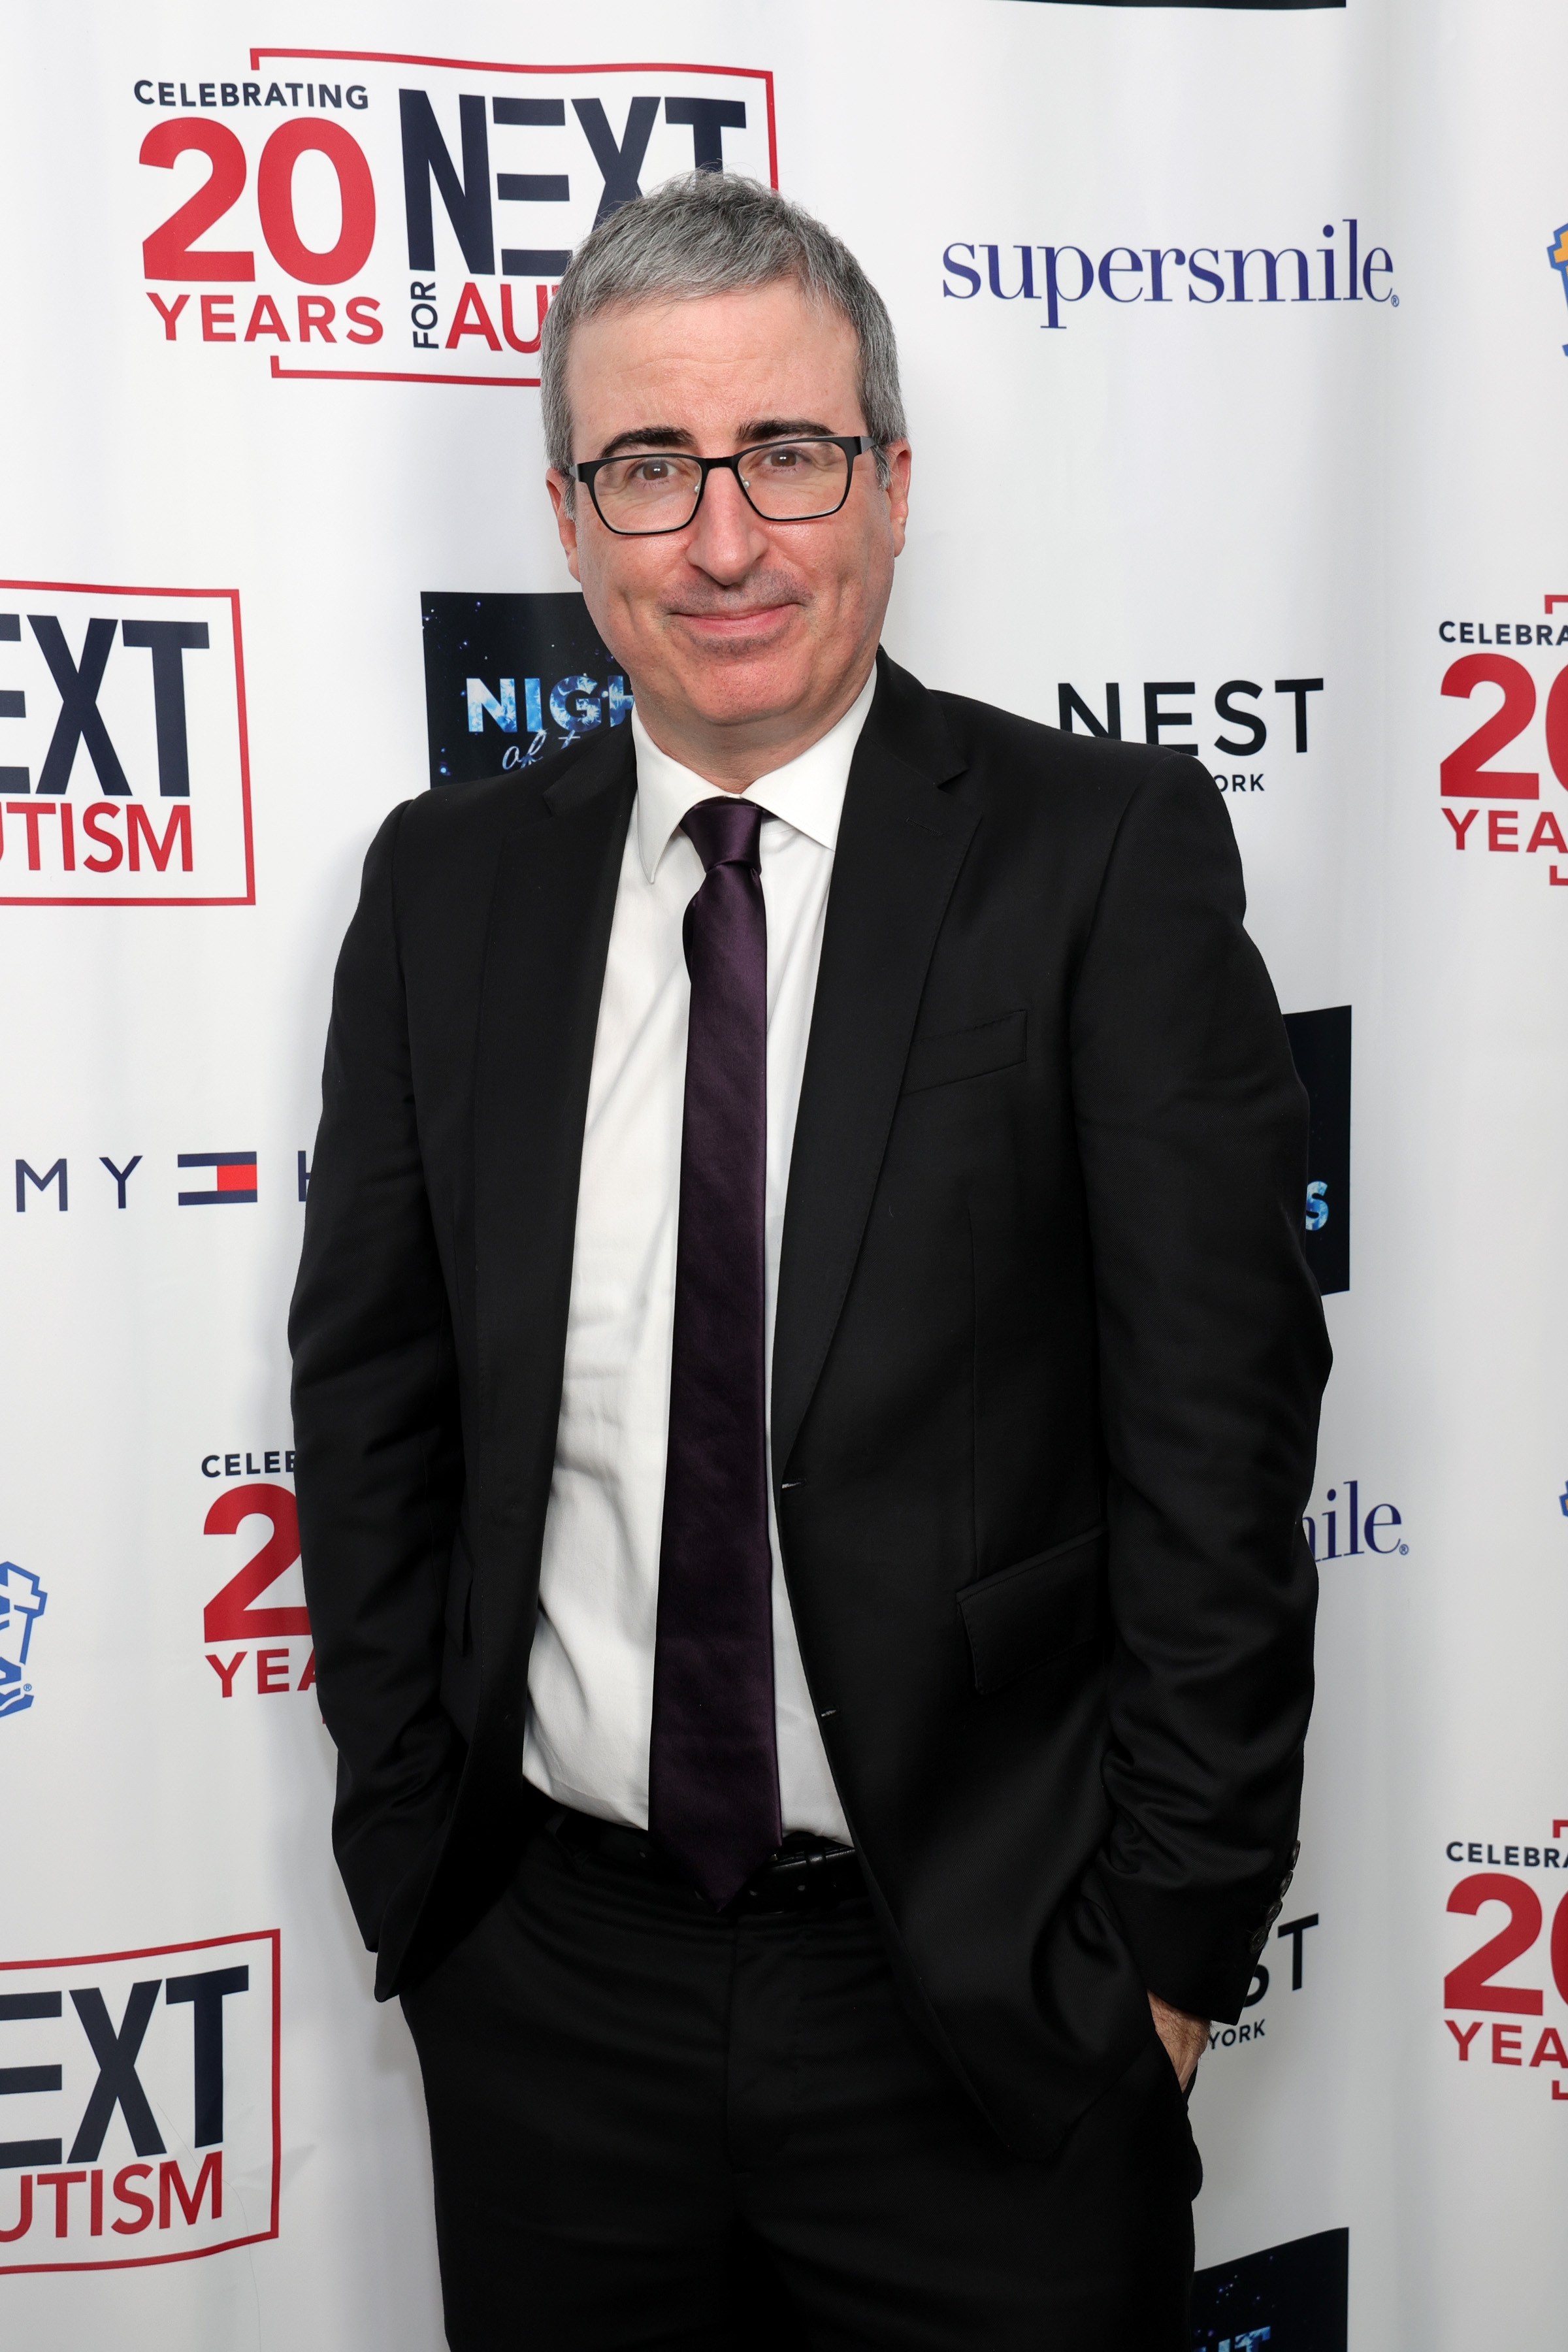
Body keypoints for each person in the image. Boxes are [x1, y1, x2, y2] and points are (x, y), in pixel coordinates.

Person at [289, 171, 1330, 2351]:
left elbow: (1219, 1453)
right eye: (653, 469)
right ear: (570, 516)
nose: (728, 539)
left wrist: (1160, 1964)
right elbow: (373, 1409)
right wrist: (425, 1870)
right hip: (549, 1991)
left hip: (984, 2010)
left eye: (788, 453)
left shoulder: (1098, 860)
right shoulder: (444, 887)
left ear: (892, 485)